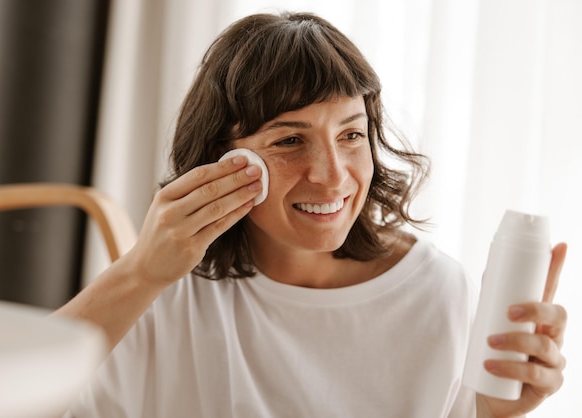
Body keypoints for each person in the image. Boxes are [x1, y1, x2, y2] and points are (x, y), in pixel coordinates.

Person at [59, 11, 568, 418]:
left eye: (351, 134)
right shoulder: (170, 295)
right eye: (289, 140)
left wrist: (495, 415)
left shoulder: (437, 292)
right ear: (221, 159)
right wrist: (139, 273)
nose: (332, 175)